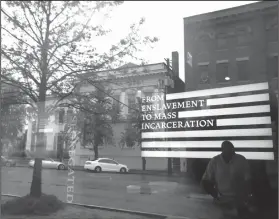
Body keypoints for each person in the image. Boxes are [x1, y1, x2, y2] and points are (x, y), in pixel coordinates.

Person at [201, 141, 254, 218]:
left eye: (231, 149)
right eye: (227, 150)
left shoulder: (241, 160)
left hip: (238, 199)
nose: (230, 152)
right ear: (222, 150)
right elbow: (205, 181)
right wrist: (215, 195)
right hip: (221, 199)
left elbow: (248, 180)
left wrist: (247, 196)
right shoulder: (215, 161)